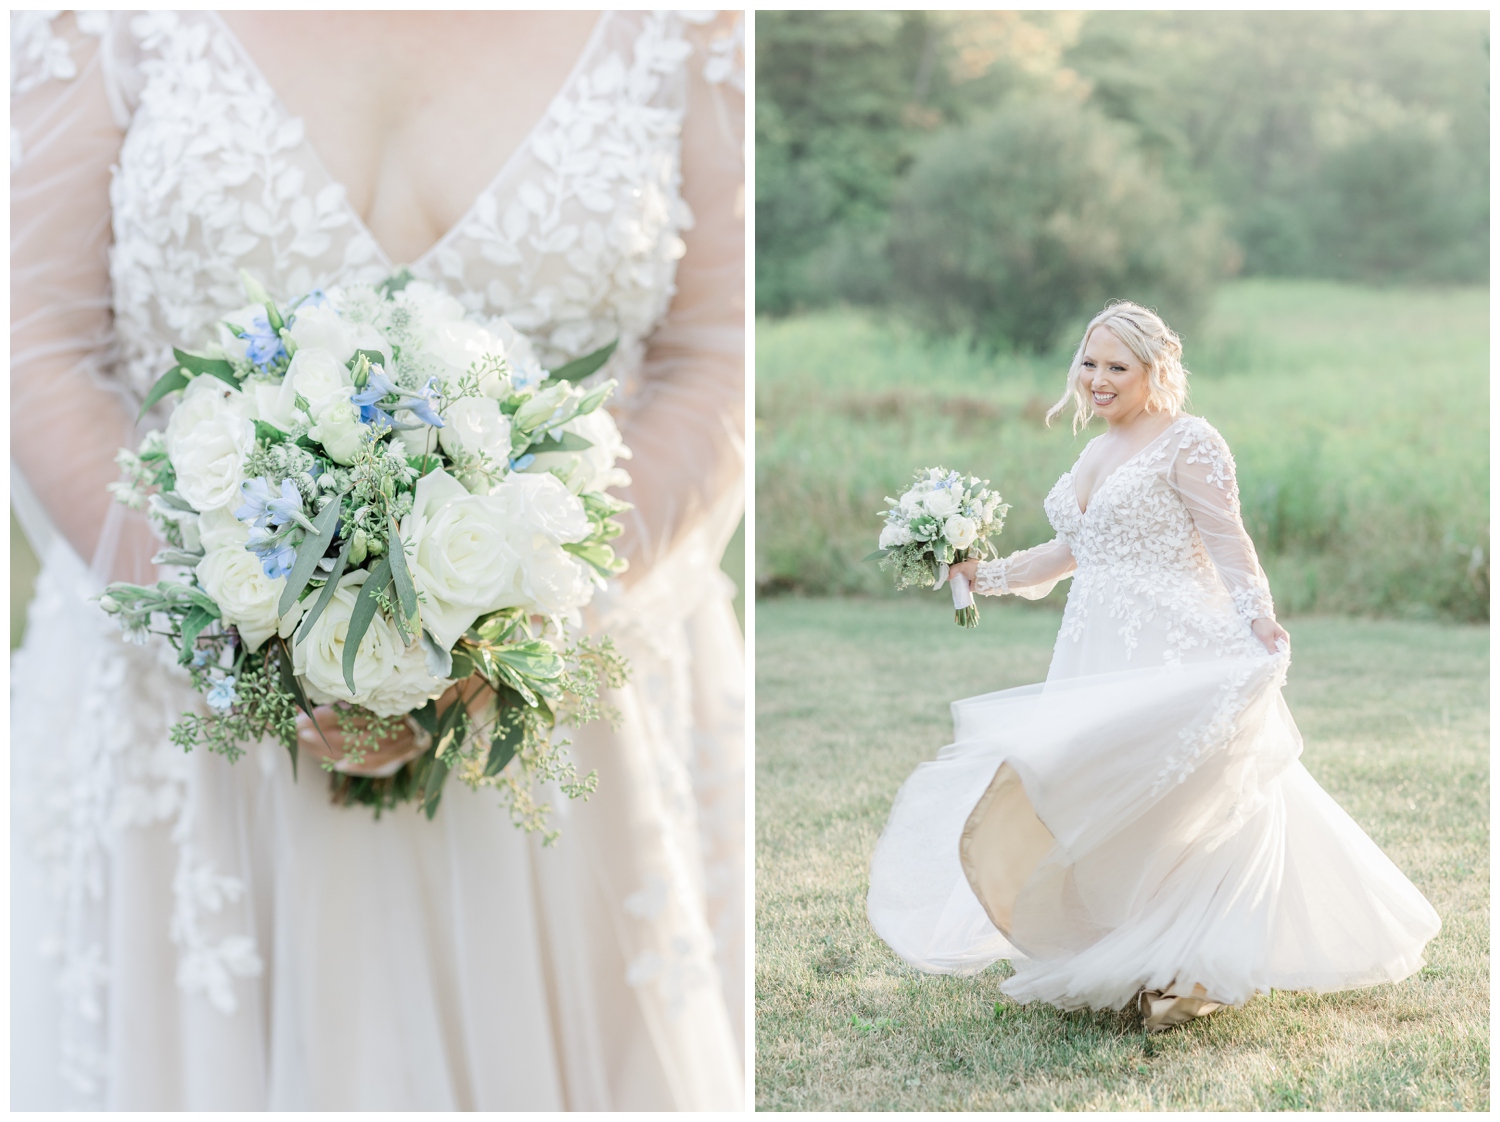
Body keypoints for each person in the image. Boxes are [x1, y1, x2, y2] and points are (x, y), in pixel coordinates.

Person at [11, 10, 744, 1109]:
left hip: (562, 719)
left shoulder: (692, 25)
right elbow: (40, 347)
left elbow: (717, 352)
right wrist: (242, 633)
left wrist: (518, 624)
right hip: (188, 742)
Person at [866, 301, 1440, 1033]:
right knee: (1104, 800)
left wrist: (1258, 614)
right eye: (1089, 363)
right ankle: (1142, 950)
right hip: (1096, 652)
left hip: (1175, 645)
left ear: (1155, 370)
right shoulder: (1095, 448)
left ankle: (1193, 968)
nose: (1097, 380)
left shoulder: (1188, 442)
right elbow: (1071, 550)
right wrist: (986, 574)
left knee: (1185, 800)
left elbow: (1228, 541)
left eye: (1117, 366)